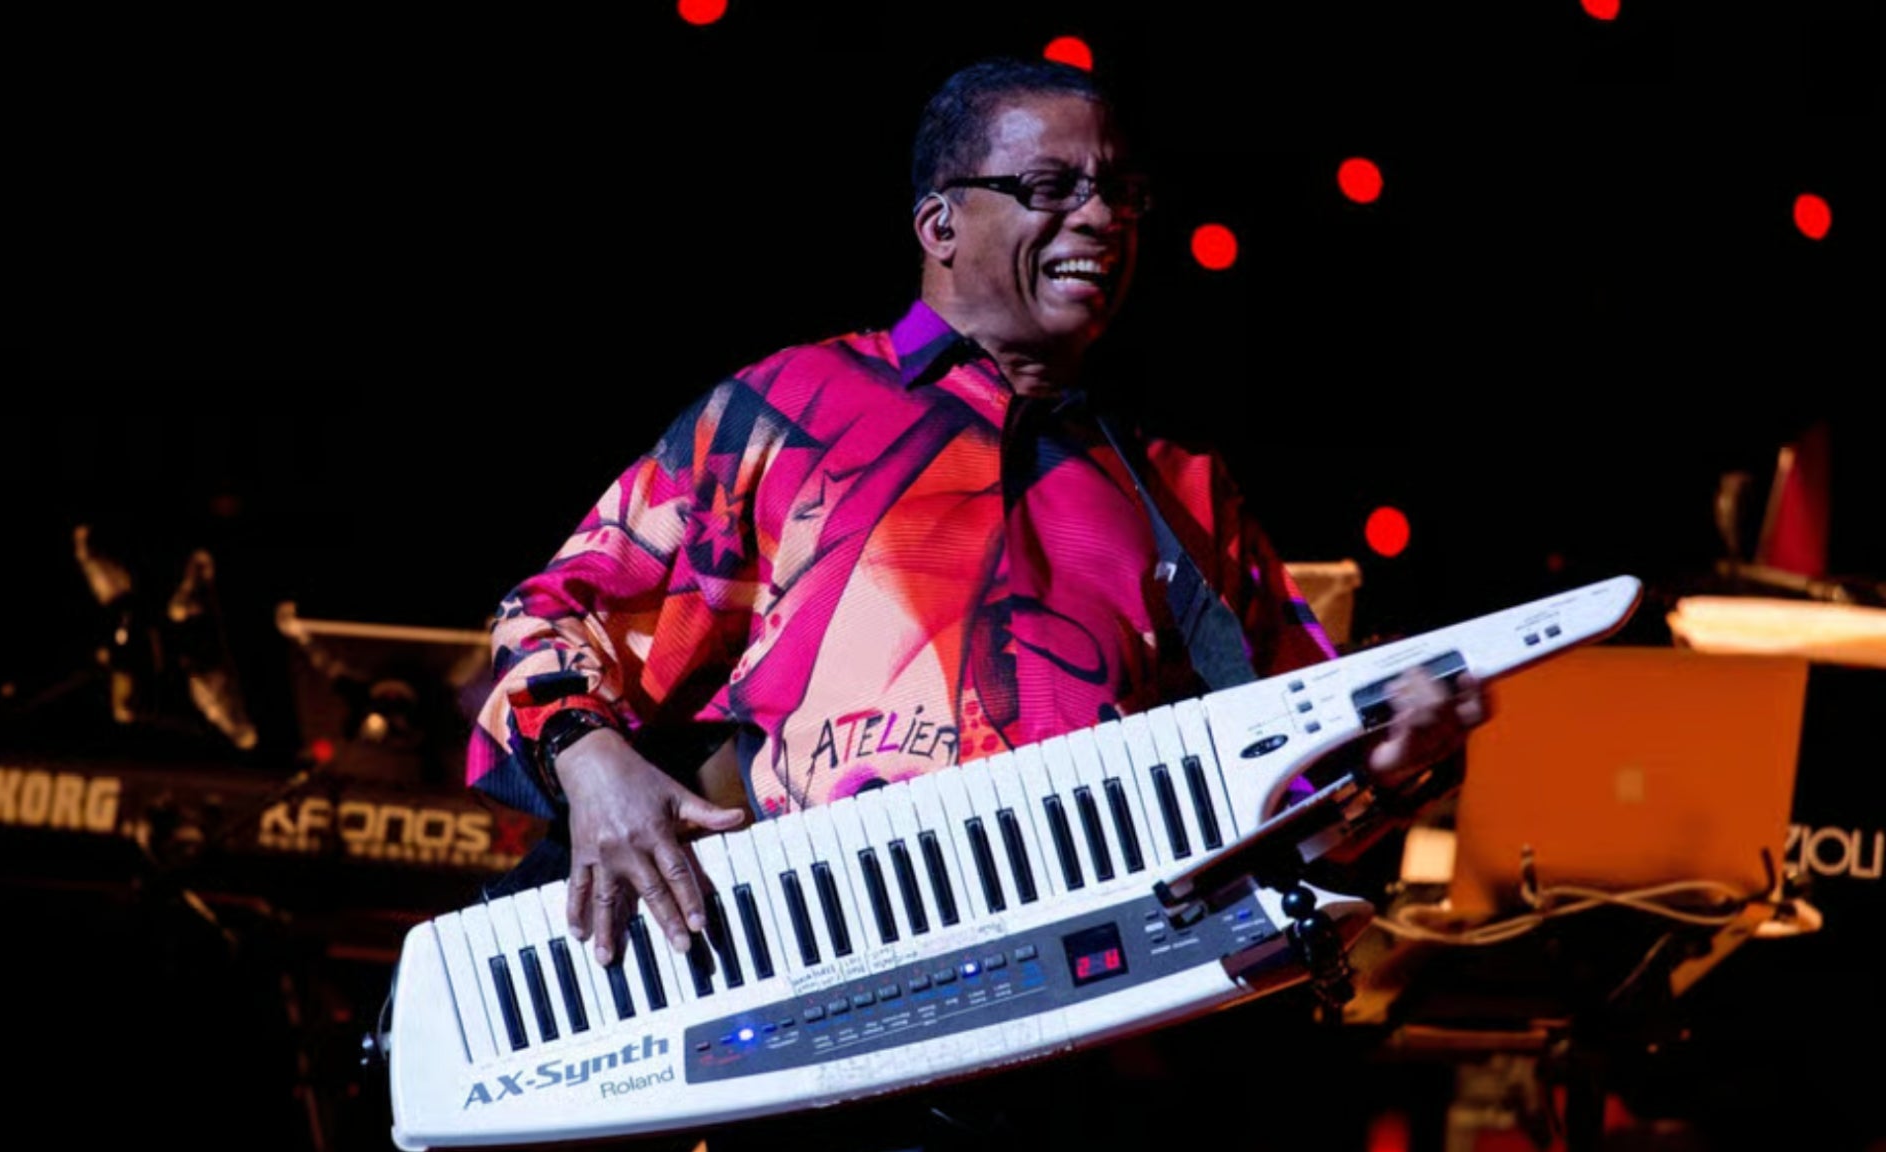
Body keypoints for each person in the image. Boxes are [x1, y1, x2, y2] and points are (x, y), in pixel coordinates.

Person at [465, 54, 1490, 1151]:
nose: (1100, 216)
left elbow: (1291, 786)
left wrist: (1389, 773)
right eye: (1052, 187)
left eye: (1119, 192)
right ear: (939, 223)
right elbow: (550, 610)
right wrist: (589, 760)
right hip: (821, 1038)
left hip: (1096, 1062)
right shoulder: (793, 408)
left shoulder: (1182, 490)